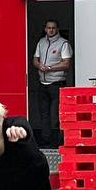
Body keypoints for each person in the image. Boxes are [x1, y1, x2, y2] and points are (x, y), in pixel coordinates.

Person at [32, 18, 73, 146]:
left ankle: (58, 142)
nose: (51, 30)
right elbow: (35, 59)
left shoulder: (63, 43)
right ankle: (46, 141)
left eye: (53, 28)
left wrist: (49, 68)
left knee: (55, 115)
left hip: (57, 84)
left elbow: (66, 64)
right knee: (44, 114)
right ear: (45, 29)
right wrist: (39, 66)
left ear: (57, 29)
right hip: (42, 83)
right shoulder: (41, 42)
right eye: (49, 28)